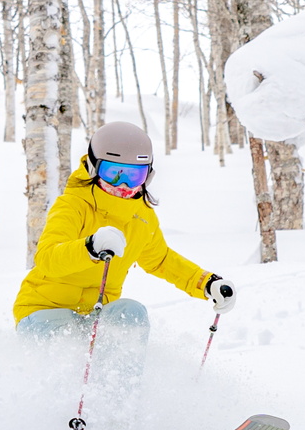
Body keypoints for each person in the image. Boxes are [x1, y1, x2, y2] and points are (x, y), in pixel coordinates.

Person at [13, 121, 236, 350]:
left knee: (131, 314)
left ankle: (121, 385)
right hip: (44, 313)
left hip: (94, 316)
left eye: (134, 175)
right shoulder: (72, 206)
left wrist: (206, 283)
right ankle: (59, 384)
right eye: (114, 173)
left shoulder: (141, 217)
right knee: (67, 345)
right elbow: (47, 259)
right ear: (93, 167)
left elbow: (160, 260)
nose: (123, 185)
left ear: (148, 175)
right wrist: (89, 248)